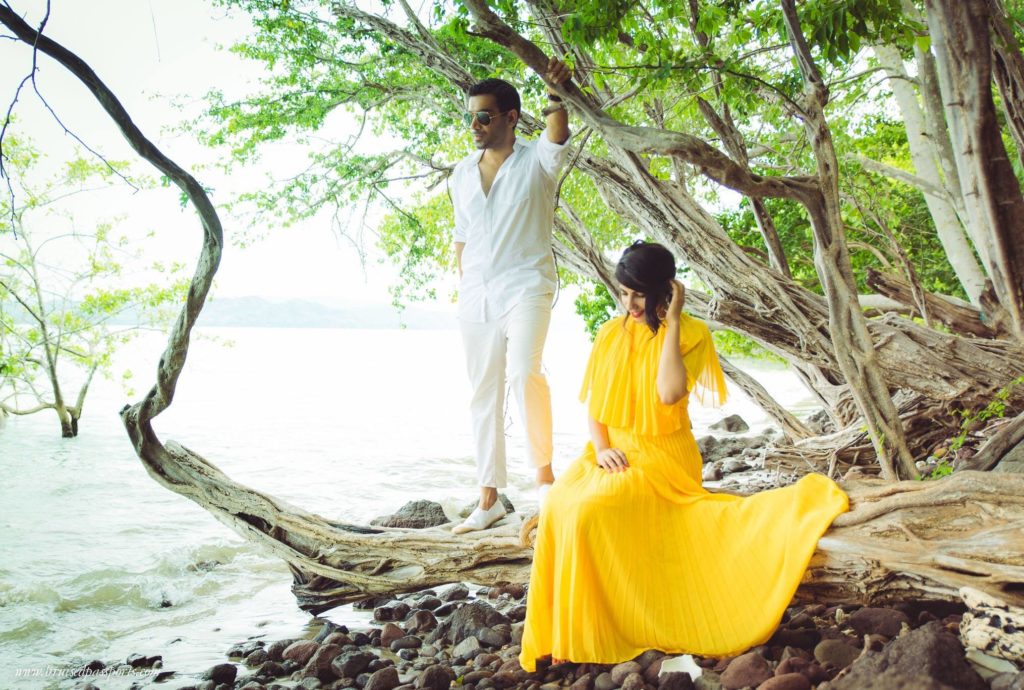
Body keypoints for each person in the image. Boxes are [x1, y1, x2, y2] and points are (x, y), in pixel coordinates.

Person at [518, 241, 849, 670]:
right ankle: (569, 630)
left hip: (662, 456)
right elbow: (596, 410)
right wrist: (601, 450)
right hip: (609, 450)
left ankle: (611, 627)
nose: (630, 303)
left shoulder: (692, 334)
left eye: (639, 294)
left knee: (588, 512)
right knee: (561, 505)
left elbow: (669, 393)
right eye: (623, 293)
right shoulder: (608, 333)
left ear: (664, 291)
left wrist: (671, 323)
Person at [450, 58, 572, 535]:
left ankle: (544, 479)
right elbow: (462, 231)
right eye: (470, 117)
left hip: (526, 285)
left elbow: (557, 136)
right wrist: (462, 279)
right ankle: (489, 499)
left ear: (510, 117)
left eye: (484, 116)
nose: (475, 125)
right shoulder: (461, 172)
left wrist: (555, 94)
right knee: (483, 391)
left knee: (524, 371)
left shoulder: (535, 161)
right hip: (476, 294)